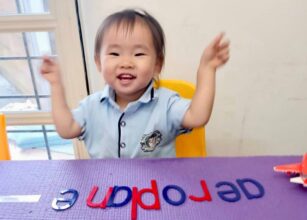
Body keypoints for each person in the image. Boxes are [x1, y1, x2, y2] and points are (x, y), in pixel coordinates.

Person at [40, 8, 230, 159]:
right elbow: (66, 130)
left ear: (157, 64)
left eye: (138, 54)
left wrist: (206, 69)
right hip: (107, 193)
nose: (126, 63)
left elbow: (197, 117)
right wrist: (56, 86)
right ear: (98, 62)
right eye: (114, 54)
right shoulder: (91, 106)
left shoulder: (166, 103)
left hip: (157, 192)